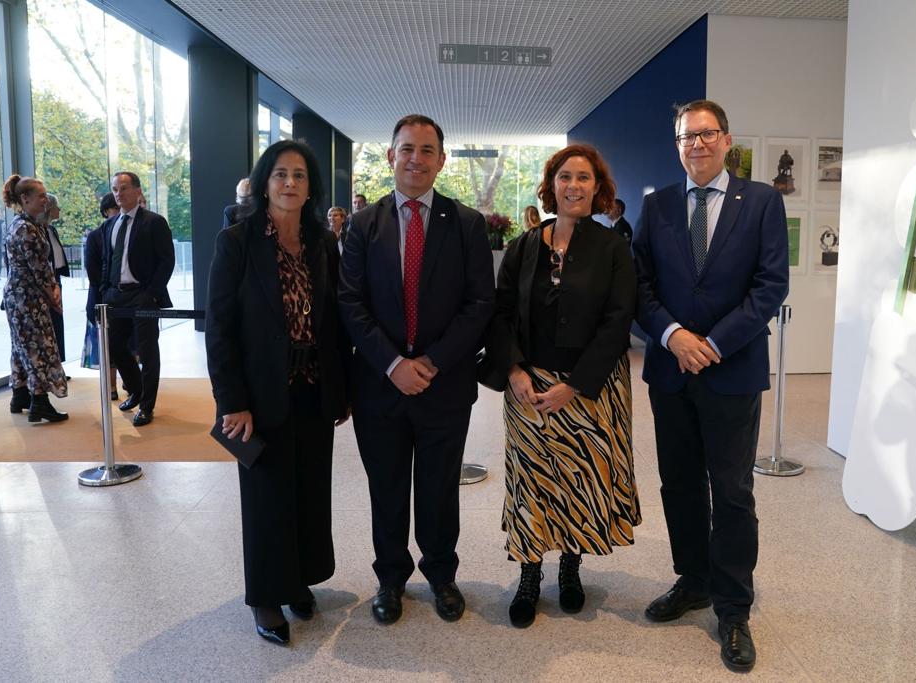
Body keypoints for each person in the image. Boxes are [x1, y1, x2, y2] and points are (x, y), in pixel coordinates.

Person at [633, 100, 788, 673]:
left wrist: (714, 344)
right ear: (677, 145)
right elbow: (640, 285)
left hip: (732, 370)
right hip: (671, 372)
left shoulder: (763, 202)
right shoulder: (658, 207)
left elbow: (770, 286)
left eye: (706, 134)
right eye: (686, 137)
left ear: (727, 140)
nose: (696, 144)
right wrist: (674, 336)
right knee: (678, 485)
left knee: (732, 491)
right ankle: (692, 580)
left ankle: (733, 608)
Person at [339, 114, 495, 626]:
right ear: (390, 157)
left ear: (441, 160)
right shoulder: (363, 225)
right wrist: (392, 364)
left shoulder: (467, 223)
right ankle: (389, 578)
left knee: (438, 486)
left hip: (444, 384)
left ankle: (442, 575)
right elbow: (350, 302)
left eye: (427, 150)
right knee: (385, 487)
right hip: (379, 387)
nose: (416, 159)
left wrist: (428, 362)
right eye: (407, 149)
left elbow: (478, 304)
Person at [205, 139, 352, 646]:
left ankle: (299, 580)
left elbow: (335, 323)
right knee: (268, 495)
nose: (290, 183)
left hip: (313, 387)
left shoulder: (322, 242)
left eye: (300, 176)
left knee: (310, 489)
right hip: (261, 393)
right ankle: (267, 595)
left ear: (312, 188)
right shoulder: (238, 241)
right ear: (265, 182)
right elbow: (219, 328)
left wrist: (343, 390)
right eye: (281, 174)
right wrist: (232, 403)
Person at [486, 144, 639, 628]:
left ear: (599, 189)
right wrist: (513, 371)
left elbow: (618, 323)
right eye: (565, 177)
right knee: (532, 482)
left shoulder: (613, 248)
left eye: (584, 178)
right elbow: (501, 313)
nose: (574, 186)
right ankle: (529, 575)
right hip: (529, 387)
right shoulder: (525, 244)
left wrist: (574, 386)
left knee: (578, 480)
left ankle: (570, 569)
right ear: (551, 185)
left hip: (589, 390)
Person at [100, 171, 175, 427]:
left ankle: (147, 406)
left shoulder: (154, 222)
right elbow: (106, 261)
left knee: (147, 351)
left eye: (123, 188)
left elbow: (167, 261)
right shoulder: (110, 225)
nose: (118, 194)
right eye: (114, 189)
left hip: (142, 295)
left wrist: (151, 293)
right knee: (114, 347)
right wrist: (104, 290)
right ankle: (136, 389)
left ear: (137, 191)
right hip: (115, 296)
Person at [0, 175, 68, 423]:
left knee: (21, 345)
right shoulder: (27, 229)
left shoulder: (20, 224)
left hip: (17, 295)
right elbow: (40, 270)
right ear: (25, 199)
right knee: (39, 346)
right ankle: (39, 401)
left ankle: (19, 395)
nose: (45, 200)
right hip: (28, 298)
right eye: (41, 196)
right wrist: (54, 296)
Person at [83, 192, 121, 398]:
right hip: (101, 298)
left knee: (126, 345)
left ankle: (129, 382)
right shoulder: (96, 236)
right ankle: (111, 386)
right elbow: (93, 271)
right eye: (116, 208)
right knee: (106, 346)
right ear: (106, 211)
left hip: (122, 299)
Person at [40, 194, 70, 361]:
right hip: (46, 282)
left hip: (56, 279)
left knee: (57, 322)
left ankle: (57, 363)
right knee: (49, 323)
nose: (59, 210)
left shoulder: (51, 230)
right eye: (56, 207)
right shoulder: (38, 231)